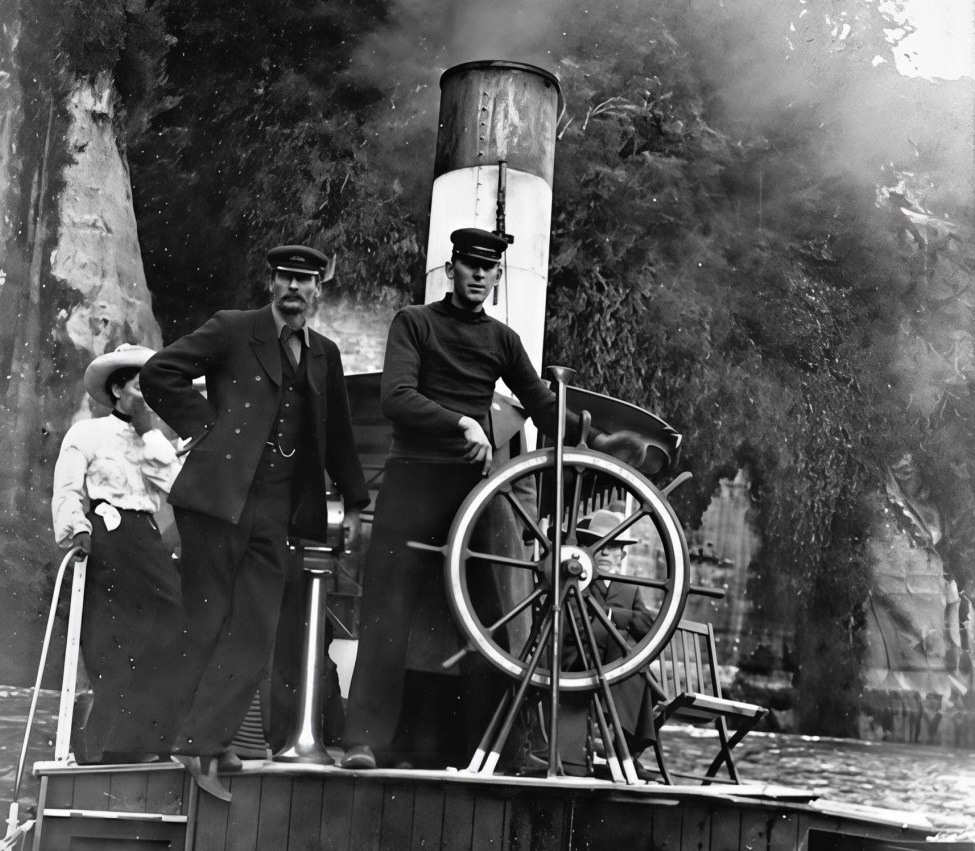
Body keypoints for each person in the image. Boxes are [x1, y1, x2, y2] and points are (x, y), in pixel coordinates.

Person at [340, 227, 646, 770]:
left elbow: (541, 402)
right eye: (470, 265)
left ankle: (496, 748)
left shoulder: (502, 340)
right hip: (412, 482)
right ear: (452, 268)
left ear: (497, 277)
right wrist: (462, 422)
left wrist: (595, 441)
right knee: (387, 612)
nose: (479, 275)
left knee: (495, 617)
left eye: (489, 269)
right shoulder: (414, 322)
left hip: (472, 493)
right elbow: (397, 398)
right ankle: (362, 740)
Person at [140, 244, 369, 797]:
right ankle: (196, 741)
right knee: (208, 620)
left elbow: (338, 431)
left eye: (305, 281)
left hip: (276, 509)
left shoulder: (325, 354)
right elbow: (159, 372)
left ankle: (203, 739)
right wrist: (207, 427)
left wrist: (356, 503)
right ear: (271, 283)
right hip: (216, 501)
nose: (294, 288)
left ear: (318, 290)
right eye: (286, 277)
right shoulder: (233, 328)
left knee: (256, 628)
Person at [51, 344, 185, 764]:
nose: (147, 396)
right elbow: (67, 490)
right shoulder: (87, 433)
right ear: (116, 389)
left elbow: (177, 487)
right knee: (112, 643)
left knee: (171, 630)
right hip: (106, 539)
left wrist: (148, 432)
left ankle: (148, 742)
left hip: (147, 543)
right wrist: (77, 528)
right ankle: (101, 751)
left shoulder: (154, 440)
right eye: (139, 386)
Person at [558, 509, 658, 778]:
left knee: (634, 665)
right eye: (597, 545)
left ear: (621, 556)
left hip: (614, 662)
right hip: (581, 658)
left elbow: (646, 625)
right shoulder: (577, 581)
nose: (604, 552)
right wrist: (621, 623)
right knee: (632, 663)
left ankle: (622, 749)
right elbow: (576, 625)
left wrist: (612, 615)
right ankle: (625, 752)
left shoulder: (630, 589)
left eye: (612, 546)